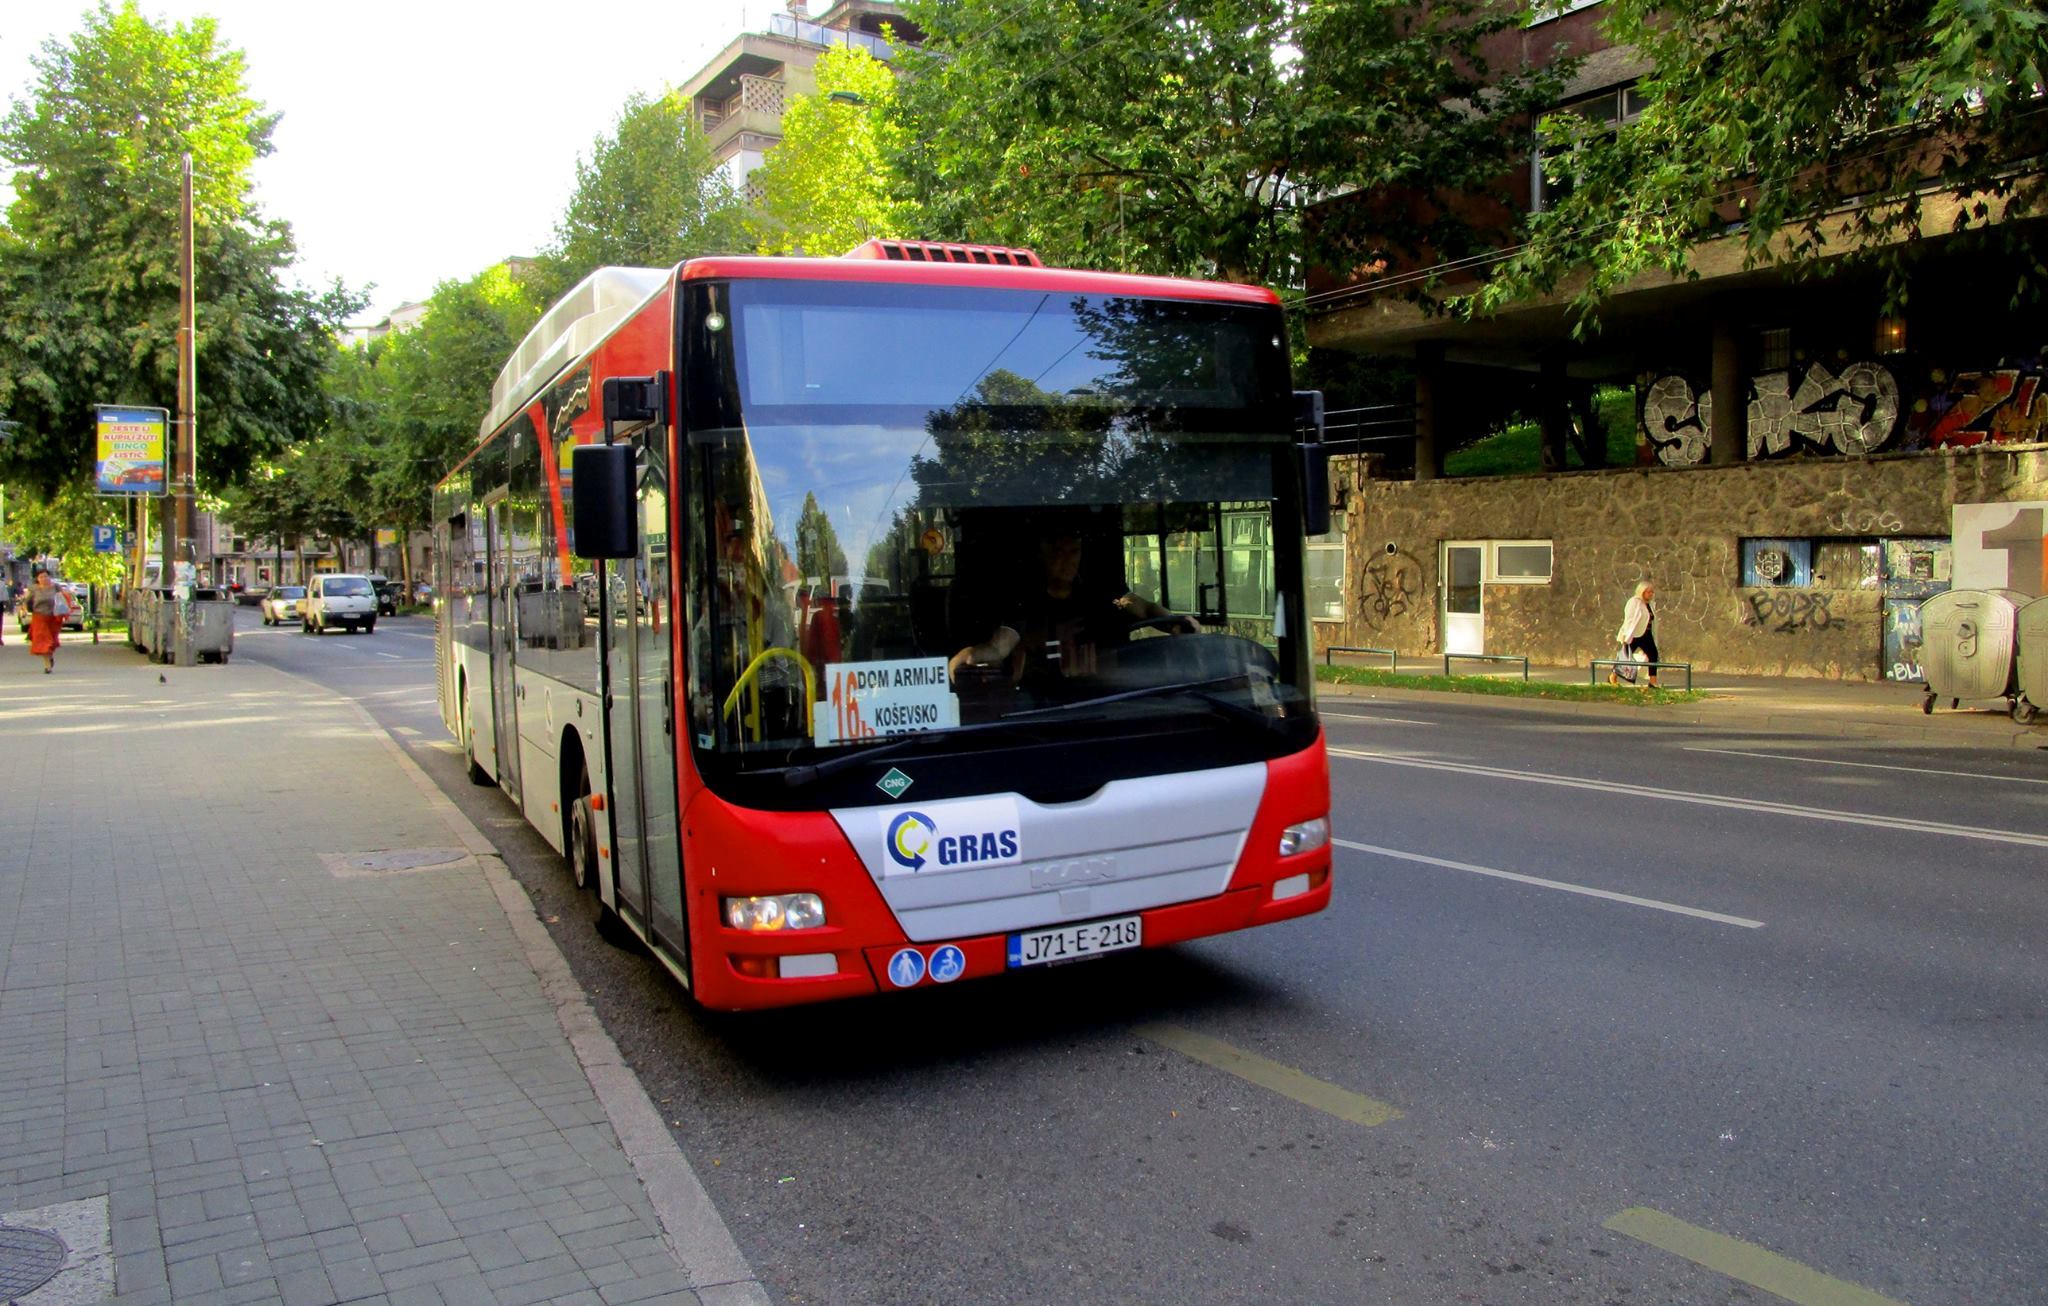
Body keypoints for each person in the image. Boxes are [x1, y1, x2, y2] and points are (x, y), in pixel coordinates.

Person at [948, 525, 1196, 685]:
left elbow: (1144, 608)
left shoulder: (1103, 591)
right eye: (1058, 552)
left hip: (1111, 699)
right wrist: (971, 655)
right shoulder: (1024, 600)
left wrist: (1175, 623)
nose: (1067, 560)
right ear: (1042, 554)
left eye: (1074, 551)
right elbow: (999, 646)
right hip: (1046, 703)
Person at [1611, 580, 1659, 688]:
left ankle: (1653, 681)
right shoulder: (1634, 602)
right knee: (1625, 656)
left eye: (1652, 592)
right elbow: (1630, 619)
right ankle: (1612, 676)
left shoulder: (1650, 604)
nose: (1651, 594)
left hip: (1646, 634)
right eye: (1648, 592)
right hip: (1634, 634)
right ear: (1642, 591)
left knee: (1653, 655)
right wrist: (1626, 634)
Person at [25, 568, 68, 674]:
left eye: (46, 576)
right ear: (37, 579)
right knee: (43, 641)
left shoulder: (56, 587)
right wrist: (29, 610)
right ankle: (47, 665)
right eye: (41, 577)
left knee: (52, 641)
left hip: (53, 618)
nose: (44, 578)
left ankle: (50, 656)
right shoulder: (34, 589)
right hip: (39, 617)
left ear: (49, 577)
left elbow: (64, 599)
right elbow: (28, 602)